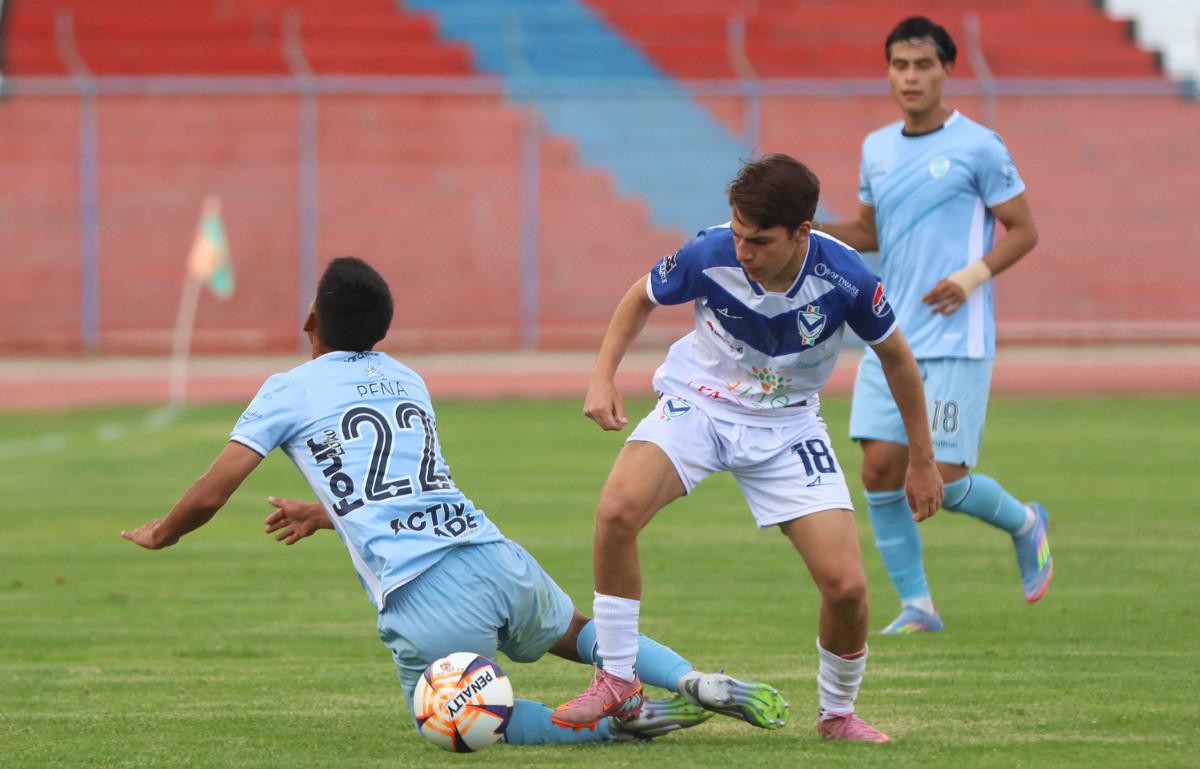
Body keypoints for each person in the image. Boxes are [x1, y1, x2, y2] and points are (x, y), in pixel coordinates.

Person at [121, 256, 790, 746]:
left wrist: (167, 531)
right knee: (586, 634)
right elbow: (403, 479)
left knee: (464, 718)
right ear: (382, 327)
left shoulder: (287, 388)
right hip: (492, 553)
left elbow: (214, 489)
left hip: (423, 594)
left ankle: (620, 730)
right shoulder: (408, 377)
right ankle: (692, 676)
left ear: (310, 320)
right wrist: (326, 512)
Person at [550, 155, 943, 743]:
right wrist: (601, 376)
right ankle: (617, 678)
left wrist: (922, 458)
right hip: (700, 404)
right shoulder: (708, 253)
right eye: (736, 233)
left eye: (758, 241)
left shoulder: (847, 278)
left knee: (848, 588)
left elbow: (898, 360)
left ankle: (837, 715)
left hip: (788, 428)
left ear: (801, 234)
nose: (742, 251)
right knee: (616, 512)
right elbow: (640, 297)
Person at [816, 16, 1053, 636]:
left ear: (948, 70)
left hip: (956, 340)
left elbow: (1024, 230)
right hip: (890, 334)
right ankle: (918, 607)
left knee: (943, 477)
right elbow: (868, 234)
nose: (911, 77)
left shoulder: (980, 146)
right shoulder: (877, 148)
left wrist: (970, 278)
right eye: (900, 65)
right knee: (877, 472)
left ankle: (1027, 523)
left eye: (924, 65)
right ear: (888, 72)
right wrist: (806, 226)